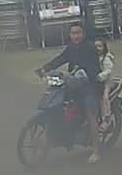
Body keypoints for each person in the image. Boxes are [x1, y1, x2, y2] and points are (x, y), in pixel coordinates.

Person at [37, 23, 102, 163]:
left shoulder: (90, 48)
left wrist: (82, 75)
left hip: (89, 85)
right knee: (58, 104)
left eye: (78, 33)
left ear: (84, 34)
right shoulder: (71, 48)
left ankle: (96, 151)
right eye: (73, 33)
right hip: (74, 83)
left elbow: (95, 70)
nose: (76, 36)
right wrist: (44, 69)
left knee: (91, 115)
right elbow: (60, 59)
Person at [95, 38, 115, 130]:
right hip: (96, 81)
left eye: (100, 46)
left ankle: (106, 119)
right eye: (95, 46)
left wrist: (100, 76)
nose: (97, 48)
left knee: (104, 97)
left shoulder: (106, 58)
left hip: (107, 82)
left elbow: (108, 71)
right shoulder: (92, 57)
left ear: (104, 47)